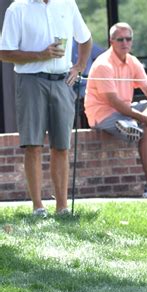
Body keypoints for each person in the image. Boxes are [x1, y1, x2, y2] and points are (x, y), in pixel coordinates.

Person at [0, 0, 92, 218]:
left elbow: (85, 39)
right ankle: (38, 208)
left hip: (62, 82)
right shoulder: (17, 8)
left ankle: (62, 208)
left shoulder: (67, 4)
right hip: (30, 81)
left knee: (61, 146)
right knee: (33, 145)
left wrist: (79, 66)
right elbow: (4, 52)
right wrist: (40, 54)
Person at [84, 22, 147, 198]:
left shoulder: (132, 61)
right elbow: (114, 101)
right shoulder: (103, 64)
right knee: (146, 124)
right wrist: (144, 117)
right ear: (111, 41)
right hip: (104, 115)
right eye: (120, 39)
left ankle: (133, 124)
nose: (125, 43)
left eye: (128, 39)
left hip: (124, 112)